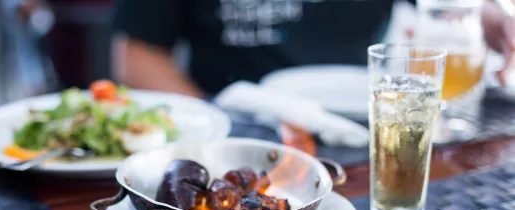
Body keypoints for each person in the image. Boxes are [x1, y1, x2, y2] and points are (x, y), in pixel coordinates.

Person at [112, 0, 515, 97]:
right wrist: (218, 134)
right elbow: (137, 56)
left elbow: (453, 7)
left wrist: (491, 14)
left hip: (364, 127)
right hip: (244, 128)